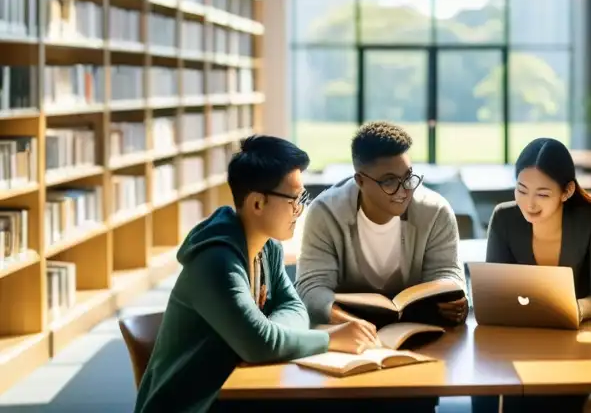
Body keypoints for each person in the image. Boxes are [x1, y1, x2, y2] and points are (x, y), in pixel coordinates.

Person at [134, 135, 377, 413]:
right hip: (194, 403)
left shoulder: (267, 247)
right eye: (294, 199)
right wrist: (331, 339)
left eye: (302, 198)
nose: (300, 209)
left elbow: (294, 307)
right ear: (257, 204)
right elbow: (260, 346)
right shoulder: (215, 261)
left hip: (236, 387)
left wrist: (268, 332)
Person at [474, 136, 591, 413]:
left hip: (573, 342)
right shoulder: (504, 218)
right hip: (517, 339)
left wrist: (569, 309)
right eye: (521, 190)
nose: (529, 204)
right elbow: (494, 290)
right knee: (488, 391)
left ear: (566, 191)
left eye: (542, 194)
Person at [295, 120, 468, 329]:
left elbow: (447, 273)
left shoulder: (435, 211)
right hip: (349, 335)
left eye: (408, 177)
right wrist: (350, 323)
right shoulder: (325, 213)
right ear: (360, 180)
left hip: (420, 331)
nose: (404, 191)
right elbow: (311, 288)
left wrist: (453, 300)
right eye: (389, 181)